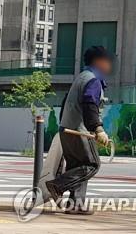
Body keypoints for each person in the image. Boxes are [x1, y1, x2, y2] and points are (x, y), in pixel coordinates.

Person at [46, 46, 113, 215]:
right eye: (107, 61)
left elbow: (65, 103)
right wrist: (98, 129)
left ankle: (75, 204)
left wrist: (63, 127)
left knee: (77, 167)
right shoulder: (93, 80)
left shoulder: (81, 77)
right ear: (99, 62)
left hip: (67, 129)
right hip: (79, 131)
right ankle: (57, 185)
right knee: (91, 165)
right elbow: (90, 104)